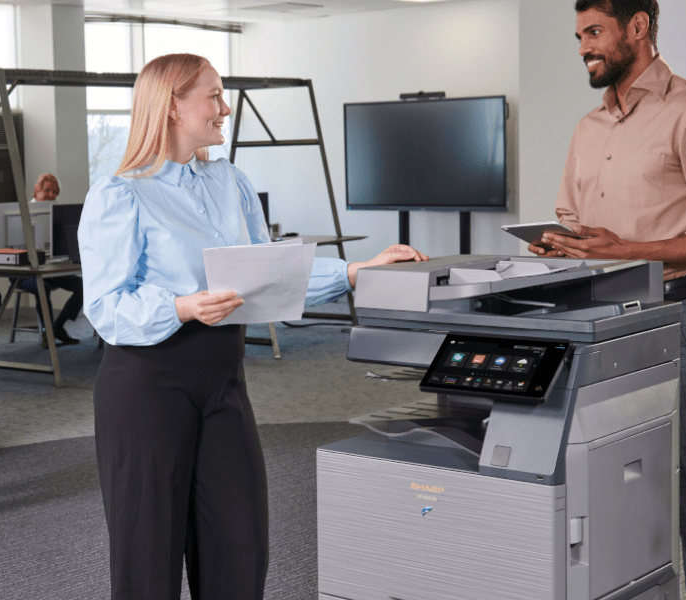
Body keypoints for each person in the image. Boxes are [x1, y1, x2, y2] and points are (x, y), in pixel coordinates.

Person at [78, 53, 428, 599]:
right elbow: (105, 306)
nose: (226, 107)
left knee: (239, 546)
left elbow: (269, 271)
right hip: (147, 383)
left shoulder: (229, 181)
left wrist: (356, 271)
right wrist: (182, 307)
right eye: (213, 96)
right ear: (172, 107)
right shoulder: (121, 193)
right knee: (148, 559)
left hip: (222, 381)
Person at [531, 3, 686, 598]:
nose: (584, 46)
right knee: (601, 472)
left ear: (638, 27)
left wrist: (623, 248)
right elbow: (574, 219)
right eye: (580, 35)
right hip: (592, 316)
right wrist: (562, 245)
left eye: (595, 32)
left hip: (671, 312)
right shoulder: (589, 127)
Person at [18, 172, 83, 346]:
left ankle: (56, 328)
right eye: (47, 190)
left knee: (82, 286)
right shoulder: (21, 214)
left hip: (49, 269)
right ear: (35, 193)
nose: (51, 195)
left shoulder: (56, 214)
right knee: (42, 288)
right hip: (22, 274)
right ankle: (48, 331)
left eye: (55, 192)